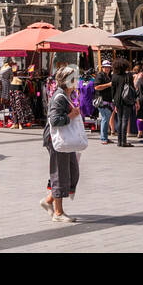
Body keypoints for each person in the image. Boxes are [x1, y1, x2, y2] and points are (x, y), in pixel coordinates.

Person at [39, 65, 82, 224]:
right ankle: (58, 212)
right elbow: (54, 120)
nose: (77, 81)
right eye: (74, 78)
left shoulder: (66, 95)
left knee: (72, 171)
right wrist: (71, 115)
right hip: (57, 140)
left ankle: (49, 200)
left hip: (65, 141)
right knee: (60, 173)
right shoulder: (59, 97)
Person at [111, 58, 135, 147]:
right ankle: (124, 141)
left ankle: (119, 141)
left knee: (120, 120)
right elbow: (132, 88)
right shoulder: (128, 76)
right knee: (125, 120)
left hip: (117, 100)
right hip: (127, 100)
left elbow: (112, 90)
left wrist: (114, 101)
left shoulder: (114, 76)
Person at [93, 60, 114, 145]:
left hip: (108, 101)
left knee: (106, 118)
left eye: (108, 67)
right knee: (105, 118)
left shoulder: (109, 76)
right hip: (102, 101)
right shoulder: (100, 76)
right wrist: (108, 85)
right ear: (102, 67)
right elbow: (96, 87)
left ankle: (105, 137)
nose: (107, 68)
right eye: (105, 67)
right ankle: (103, 138)